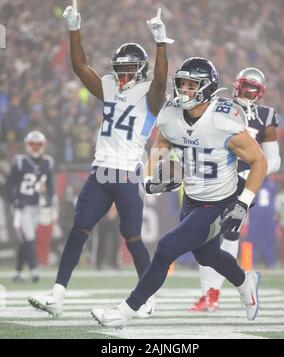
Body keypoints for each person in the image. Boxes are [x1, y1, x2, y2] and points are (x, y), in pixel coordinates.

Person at [91, 57, 267, 327]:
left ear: (207, 88)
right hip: (193, 197)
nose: (183, 90)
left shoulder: (223, 119)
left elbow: (259, 162)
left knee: (165, 248)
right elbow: (162, 142)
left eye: (190, 85)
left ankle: (125, 311)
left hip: (221, 201)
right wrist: (151, 177)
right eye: (181, 83)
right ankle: (246, 282)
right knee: (207, 256)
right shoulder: (172, 115)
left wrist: (243, 204)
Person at [28, 5, 173, 317]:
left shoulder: (151, 92)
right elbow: (81, 67)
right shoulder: (109, 85)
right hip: (100, 171)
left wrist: (161, 43)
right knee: (78, 230)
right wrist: (73, 29)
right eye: (118, 68)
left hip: (126, 175)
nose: (121, 74)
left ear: (141, 70)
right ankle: (57, 295)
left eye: (127, 69)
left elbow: (161, 81)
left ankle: (148, 298)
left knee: (132, 237)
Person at [190, 67, 281, 312]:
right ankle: (208, 294)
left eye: (252, 89)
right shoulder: (220, 107)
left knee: (230, 232)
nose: (246, 92)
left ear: (259, 93)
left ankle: (214, 293)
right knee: (203, 234)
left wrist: (248, 174)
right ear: (236, 85)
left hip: (241, 183)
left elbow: (274, 160)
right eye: (244, 87)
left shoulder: (266, 115)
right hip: (215, 179)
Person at [6, 131, 54, 283]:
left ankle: (17, 273)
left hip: (36, 207)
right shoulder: (20, 161)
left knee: (24, 241)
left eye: (38, 144)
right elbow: (9, 185)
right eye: (32, 144)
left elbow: (50, 187)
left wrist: (48, 198)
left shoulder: (48, 162)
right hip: (22, 207)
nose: (35, 148)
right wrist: (15, 200)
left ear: (43, 146)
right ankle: (34, 271)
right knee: (30, 238)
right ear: (27, 145)